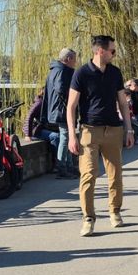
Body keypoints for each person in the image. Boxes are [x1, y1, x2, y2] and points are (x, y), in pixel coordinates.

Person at [67, 35, 135, 236]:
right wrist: (72, 135)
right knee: (88, 174)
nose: (114, 54)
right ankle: (88, 218)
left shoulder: (115, 72)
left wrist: (129, 129)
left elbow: (123, 103)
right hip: (89, 130)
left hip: (113, 130)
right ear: (100, 51)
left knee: (115, 174)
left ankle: (115, 211)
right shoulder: (82, 73)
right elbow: (71, 107)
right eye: (112, 50)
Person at [46, 48, 78, 178]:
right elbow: (61, 89)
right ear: (68, 59)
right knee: (65, 138)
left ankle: (69, 166)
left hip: (59, 109)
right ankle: (62, 168)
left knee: (68, 137)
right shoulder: (61, 71)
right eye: (74, 59)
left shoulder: (56, 70)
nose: (75, 62)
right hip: (62, 110)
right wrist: (73, 99)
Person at [25, 88, 61, 155]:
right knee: (56, 136)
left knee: (63, 135)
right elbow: (29, 117)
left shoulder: (47, 103)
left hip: (42, 127)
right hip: (36, 130)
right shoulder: (39, 103)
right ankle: (57, 159)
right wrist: (28, 135)